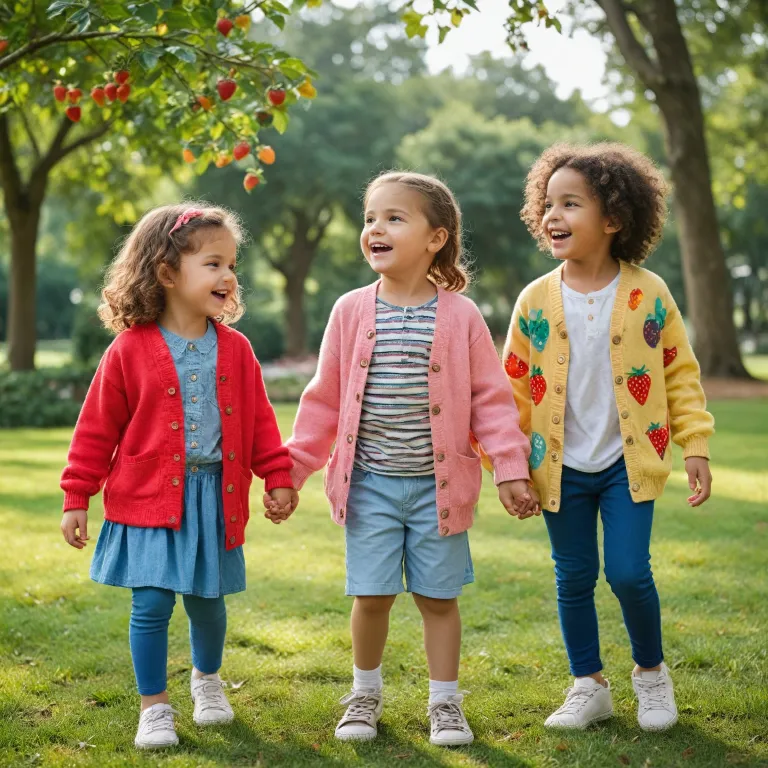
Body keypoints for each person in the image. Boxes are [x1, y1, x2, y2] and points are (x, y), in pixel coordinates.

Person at [273, 171, 538, 746]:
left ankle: (445, 703)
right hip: (368, 485)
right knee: (371, 596)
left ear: (435, 238)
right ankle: (364, 694)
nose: (376, 228)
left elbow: (491, 402)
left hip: (437, 489)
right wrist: (290, 470)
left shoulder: (461, 316)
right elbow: (323, 400)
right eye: (370, 218)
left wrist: (510, 469)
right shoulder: (350, 310)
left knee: (438, 599)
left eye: (394, 218)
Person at [60, 203, 295, 749]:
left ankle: (207, 681)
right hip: (146, 498)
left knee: (208, 602)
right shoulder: (128, 349)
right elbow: (96, 428)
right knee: (150, 604)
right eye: (213, 264)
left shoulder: (236, 349)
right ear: (167, 273)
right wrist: (77, 495)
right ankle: (154, 707)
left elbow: (260, 421)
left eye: (232, 265)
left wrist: (277, 474)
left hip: (213, 497)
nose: (228, 276)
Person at [506, 143, 714, 731]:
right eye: (548, 204)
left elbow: (679, 372)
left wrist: (694, 444)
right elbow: (512, 389)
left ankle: (651, 675)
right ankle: (588, 685)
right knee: (573, 576)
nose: (553, 215)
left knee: (627, 572)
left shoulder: (649, 293)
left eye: (571, 204)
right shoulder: (534, 300)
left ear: (614, 218)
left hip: (629, 462)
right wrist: (509, 465)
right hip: (559, 465)